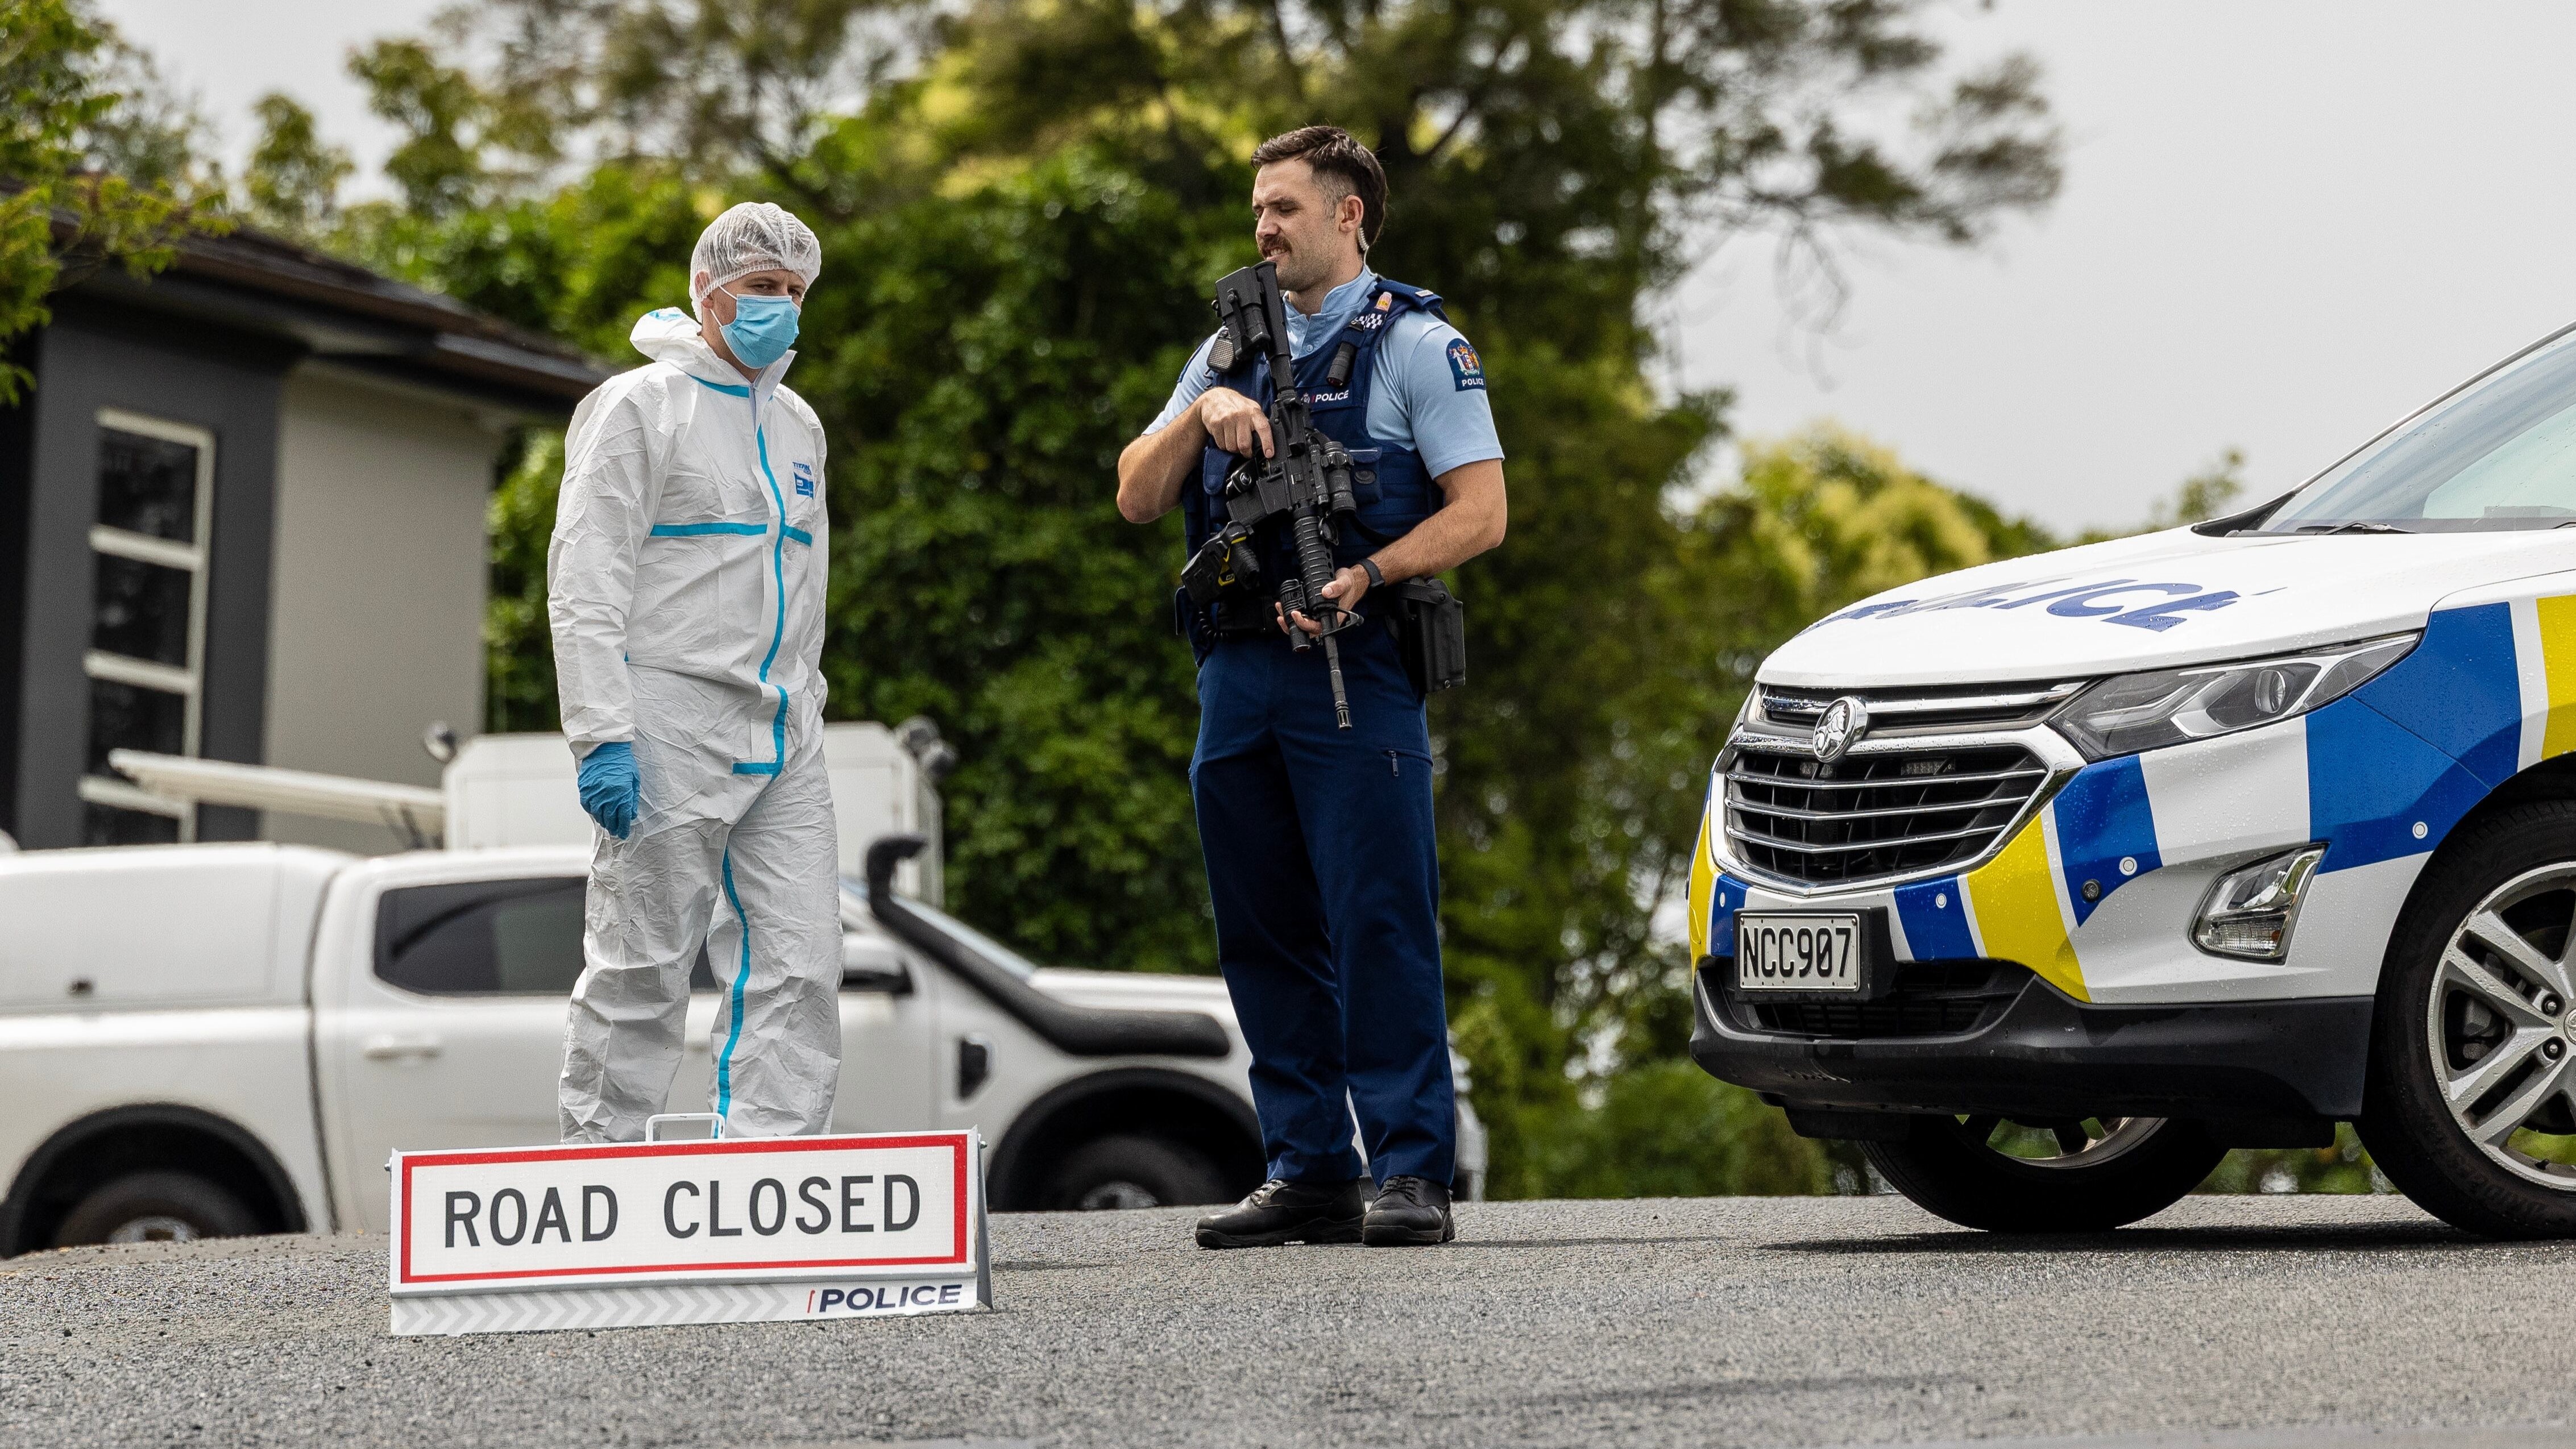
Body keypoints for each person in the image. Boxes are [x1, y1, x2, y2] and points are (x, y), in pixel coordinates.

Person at [1115, 126, 1509, 1247]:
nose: (1263, 227)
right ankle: (1307, 1167)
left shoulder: (1417, 347)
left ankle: (1410, 1171)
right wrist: (1201, 415)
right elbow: (1137, 498)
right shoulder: (1225, 349)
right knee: (1261, 929)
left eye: (1285, 207)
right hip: (1238, 675)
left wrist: (1371, 572)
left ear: (1349, 216)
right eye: (1257, 209)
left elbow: (1481, 513)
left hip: (1359, 666)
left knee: (1377, 921)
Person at [548, 201, 843, 1143]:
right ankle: (595, 1182)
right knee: (643, 964)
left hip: (785, 725)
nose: (783, 309)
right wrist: (602, 734)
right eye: (764, 288)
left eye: (797, 291)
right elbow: (586, 579)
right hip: (668, 717)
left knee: (800, 964)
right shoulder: (640, 406)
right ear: (709, 292)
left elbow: (809, 587)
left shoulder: (798, 424)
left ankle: (770, 1180)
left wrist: (806, 704)